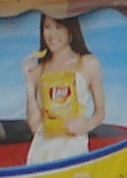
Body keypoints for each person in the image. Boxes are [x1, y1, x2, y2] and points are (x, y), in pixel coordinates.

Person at [24, 17, 104, 163]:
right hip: (41, 153)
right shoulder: (38, 71)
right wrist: (29, 82)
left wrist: (87, 125)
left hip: (74, 149)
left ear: (70, 30)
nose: (52, 34)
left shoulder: (88, 63)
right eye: (47, 27)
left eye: (58, 27)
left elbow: (100, 110)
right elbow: (35, 126)